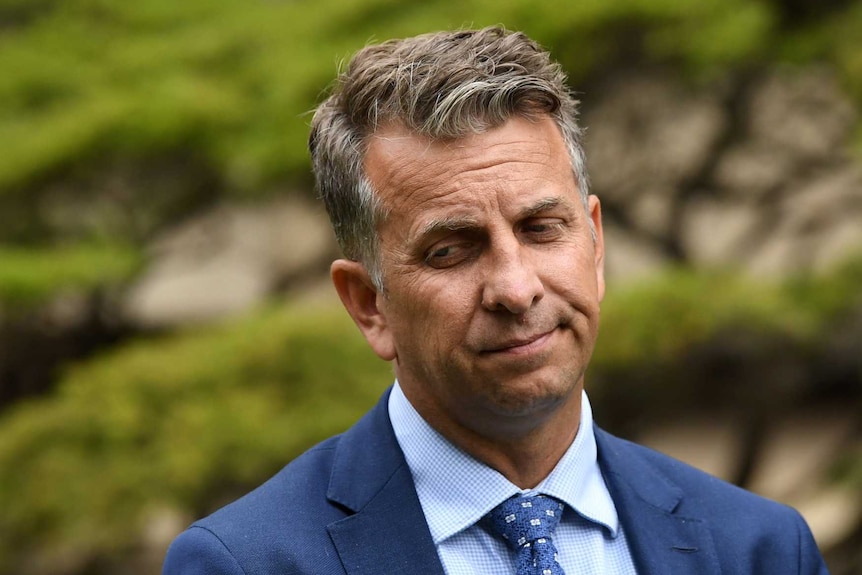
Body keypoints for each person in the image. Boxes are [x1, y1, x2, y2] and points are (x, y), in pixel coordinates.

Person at [163, 27, 829, 574]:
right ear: (369, 304)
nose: (515, 287)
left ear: (594, 246)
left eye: (542, 229)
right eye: (450, 250)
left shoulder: (761, 549)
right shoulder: (248, 563)